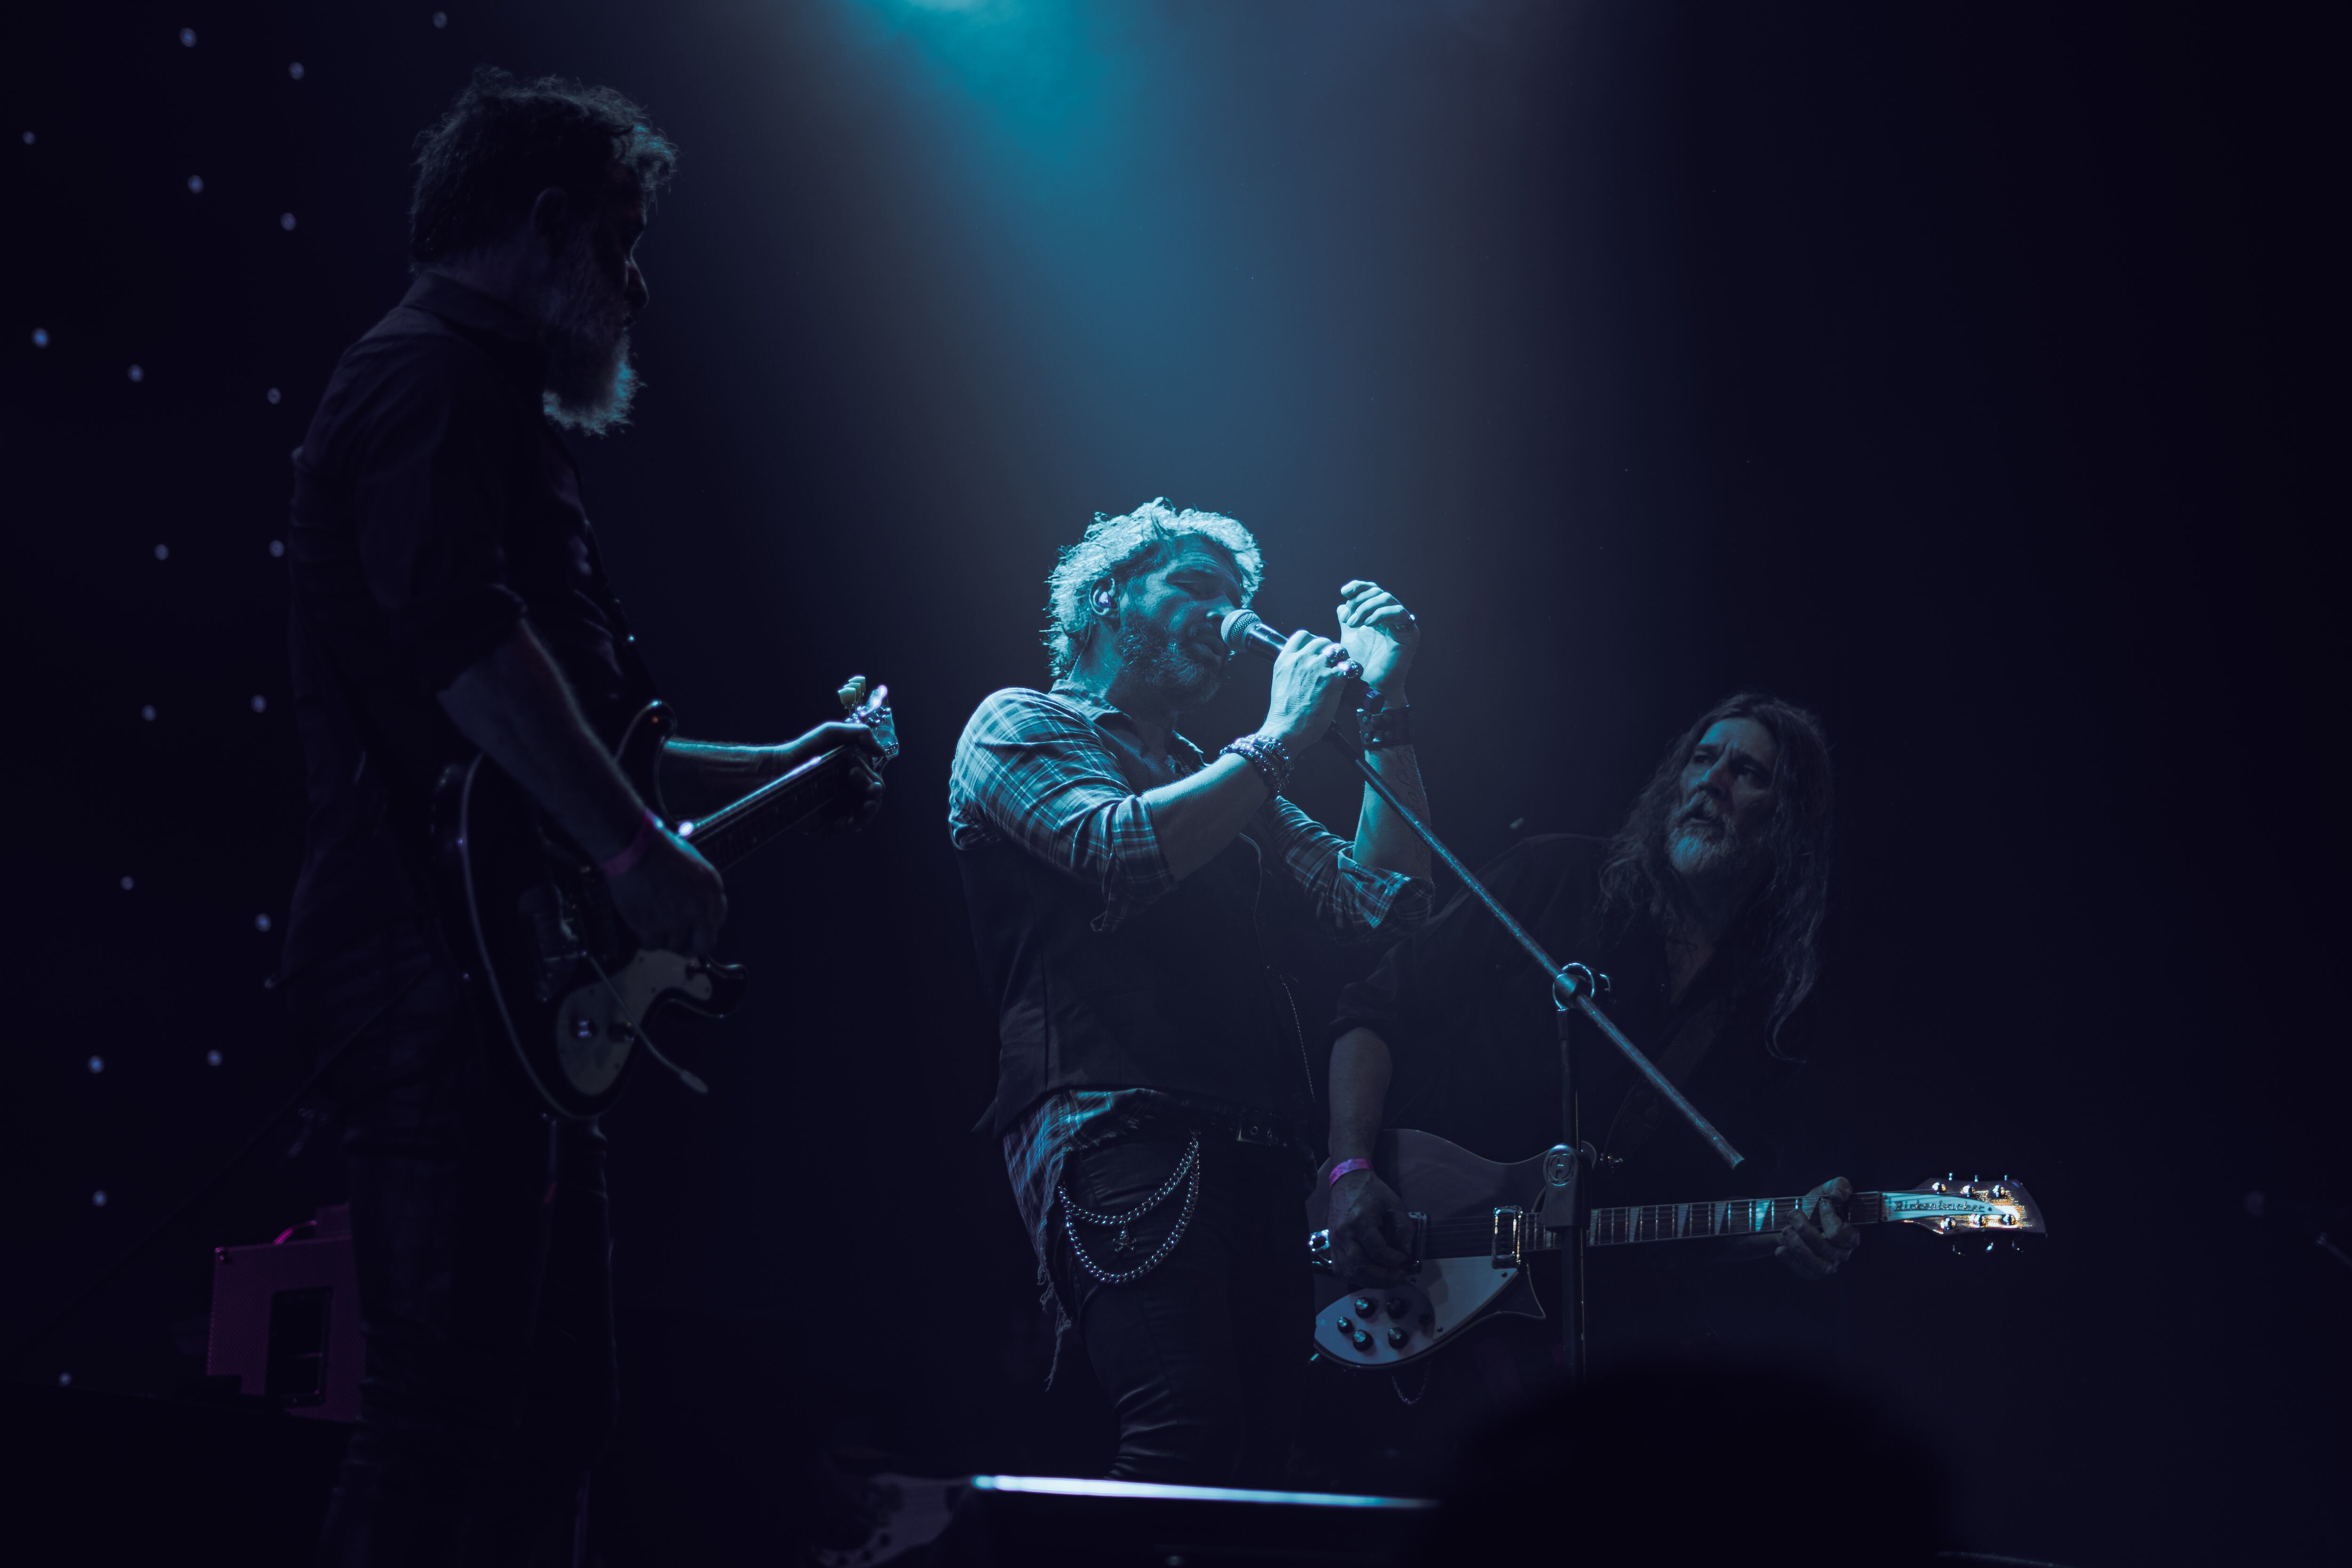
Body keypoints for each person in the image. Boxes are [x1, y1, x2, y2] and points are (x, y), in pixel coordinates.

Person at [280, 69, 880, 1563]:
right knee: (445, 1414)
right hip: (430, 965)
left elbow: (581, 742)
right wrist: (629, 849)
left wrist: (777, 769)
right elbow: (468, 651)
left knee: (545, 1414)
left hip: (491, 978)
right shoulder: (427, 378)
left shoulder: (479, 397)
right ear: (545, 229)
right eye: (619, 241)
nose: (636, 282)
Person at [949, 500, 1435, 1483]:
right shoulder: (1021, 721)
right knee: (1187, 1427)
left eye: (1240, 600)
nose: (1229, 622)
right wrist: (1283, 734)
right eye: (1198, 589)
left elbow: (1383, 899)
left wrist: (1382, 712)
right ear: (1103, 597)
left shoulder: (1228, 778)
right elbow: (1117, 849)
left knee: (1256, 1462)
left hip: (1255, 1150)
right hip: (1114, 1125)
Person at [1311, 694, 1850, 1484]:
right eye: (1702, 760)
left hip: (1582, 1336)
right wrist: (1350, 1170)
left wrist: (1789, 1232)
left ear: (1789, 820)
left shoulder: (1773, 1004)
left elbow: (1716, 1207)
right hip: (1406, 1258)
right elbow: (1372, 1011)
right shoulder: (1558, 878)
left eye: (1747, 773)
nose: (1711, 784)